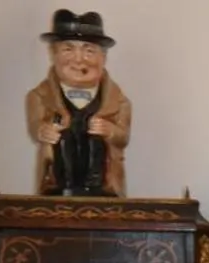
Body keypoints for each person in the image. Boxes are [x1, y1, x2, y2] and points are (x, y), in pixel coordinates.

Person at [25, 11, 131, 196]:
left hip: (104, 191)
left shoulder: (119, 101)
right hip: (57, 191)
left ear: (103, 57)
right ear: (53, 53)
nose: (78, 58)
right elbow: (36, 125)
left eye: (89, 50)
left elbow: (123, 137)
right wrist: (43, 130)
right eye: (68, 49)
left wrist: (111, 131)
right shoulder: (39, 96)